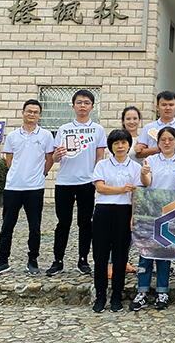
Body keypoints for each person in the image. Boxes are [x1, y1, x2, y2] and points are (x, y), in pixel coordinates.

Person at [0, 100, 54, 276]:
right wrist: (17, 174)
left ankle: (33, 260)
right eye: (29, 111)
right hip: (13, 187)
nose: (32, 114)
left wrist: (41, 174)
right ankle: (2, 261)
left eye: (35, 112)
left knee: (35, 227)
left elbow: (49, 159)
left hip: (35, 187)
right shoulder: (12, 136)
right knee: (7, 226)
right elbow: (10, 160)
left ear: (40, 115)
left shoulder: (46, 136)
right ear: (23, 113)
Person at [129, 126, 175, 312]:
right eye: (163, 139)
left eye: (170, 139)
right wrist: (144, 173)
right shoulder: (151, 160)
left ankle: (162, 292)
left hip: (171, 211)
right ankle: (142, 292)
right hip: (151, 209)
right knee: (146, 252)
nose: (167, 142)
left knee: (164, 253)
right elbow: (146, 182)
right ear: (158, 142)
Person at [47, 90, 106, 277]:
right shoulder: (64, 129)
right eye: (79, 102)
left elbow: (99, 157)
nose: (82, 105)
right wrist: (56, 156)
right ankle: (58, 260)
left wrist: (96, 179)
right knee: (63, 223)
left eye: (86, 102)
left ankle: (83, 259)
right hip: (64, 181)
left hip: (86, 182)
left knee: (85, 223)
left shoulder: (98, 129)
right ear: (73, 106)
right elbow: (55, 157)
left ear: (92, 107)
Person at [90, 129, 142, 313]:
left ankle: (117, 296)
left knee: (120, 255)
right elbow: (100, 187)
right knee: (100, 255)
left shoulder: (135, 168)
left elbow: (135, 195)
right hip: (103, 210)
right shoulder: (102, 165)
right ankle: (100, 295)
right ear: (111, 146)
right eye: (116, 143)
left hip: (124, 211)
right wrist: (121, 189)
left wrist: (133, 217)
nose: (120, 146)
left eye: (124, 142)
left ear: (129, 145)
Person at [108, 106, 141, 278]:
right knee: (115, 232)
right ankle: (111, 263)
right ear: (123, 120)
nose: (132, 121)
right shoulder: (117, 138)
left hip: (140, 184)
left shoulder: (144, 139)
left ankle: (124, 260)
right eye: (128, 118)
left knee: (131, 228)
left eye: (135, 118)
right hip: (121, 187)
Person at [135, 91, 175, 158]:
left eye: (171, 105)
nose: (168, 108)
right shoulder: (147, 128)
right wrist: (157, 149)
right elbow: (139, 154)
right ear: (157, 107)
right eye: (164, 105)